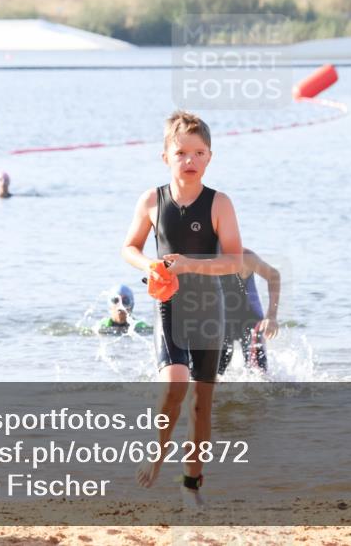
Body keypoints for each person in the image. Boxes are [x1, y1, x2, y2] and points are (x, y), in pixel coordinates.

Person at [121, 110, 243, 511]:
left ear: (209, 157)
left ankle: (191, 484)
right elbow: (130, 247)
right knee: (174, 386)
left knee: (200, 405)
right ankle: (158, 451)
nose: (189, 160)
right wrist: (150, 266)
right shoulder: (151, 201)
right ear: (165, 157)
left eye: (198, 153)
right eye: (181, 153)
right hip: (170, 306)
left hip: (209, 309)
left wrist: (190, 264)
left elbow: (234, 260)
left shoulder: (219, 203)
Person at [218, 249, 280, 375]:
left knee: (259, 375)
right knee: (212, 375)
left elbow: (273, 275)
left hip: (250, 321)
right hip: (220, 323)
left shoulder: (244, 257)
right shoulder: (200, 259)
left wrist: (271, 317)